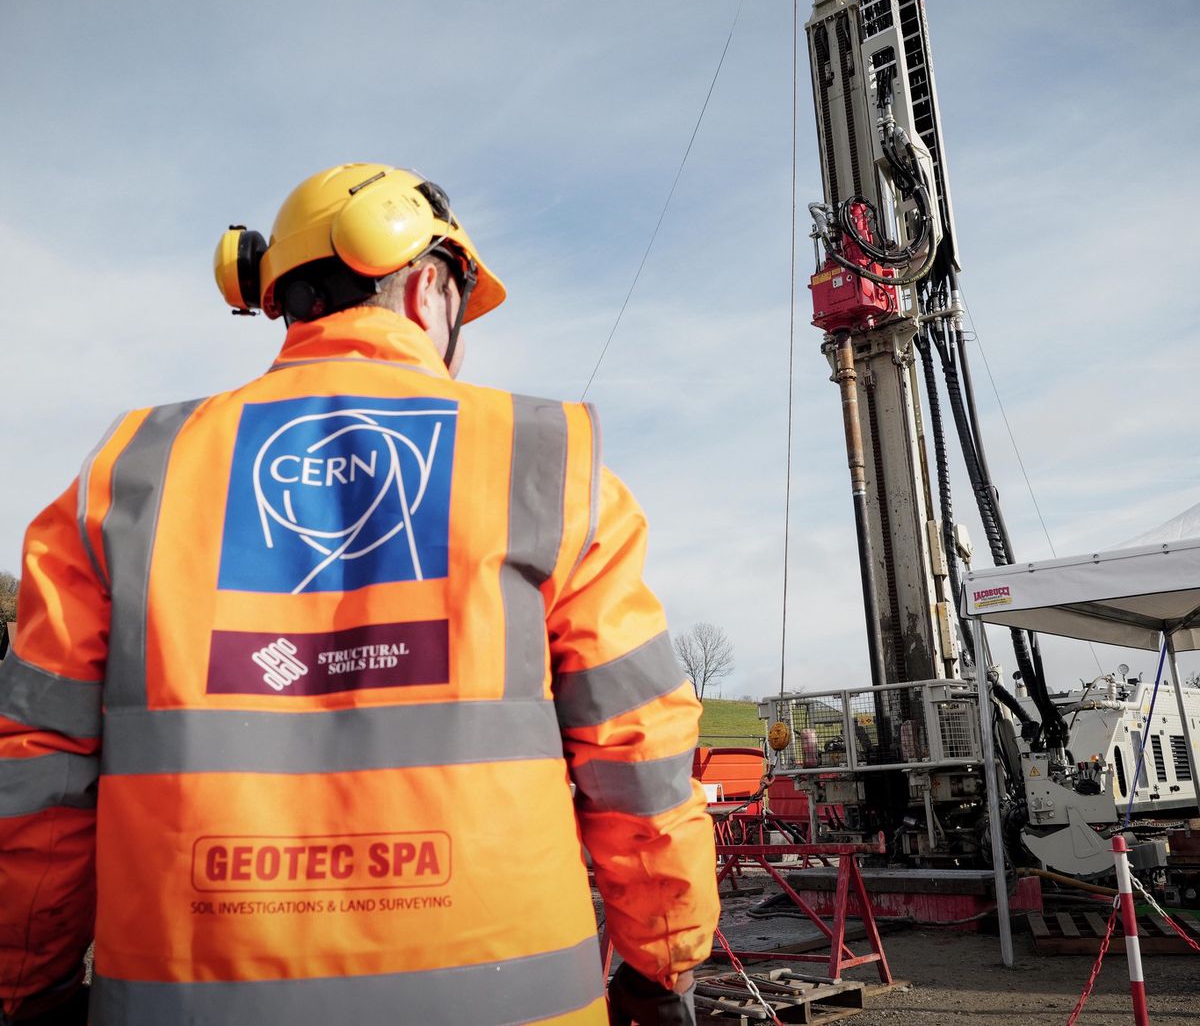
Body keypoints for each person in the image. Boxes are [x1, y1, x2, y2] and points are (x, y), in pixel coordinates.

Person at [0, 164, 719, 1026]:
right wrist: (662, 963)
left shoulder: (129, 475)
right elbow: (638, 749)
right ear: (428, 289)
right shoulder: (545, 464)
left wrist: (29, 984)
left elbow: (37, 766)